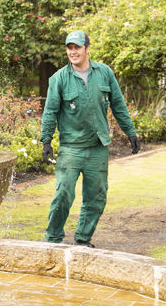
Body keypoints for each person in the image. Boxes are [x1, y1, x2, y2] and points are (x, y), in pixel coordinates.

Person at [40, 30, 139, 246]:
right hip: (71, 148)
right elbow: (50, 111)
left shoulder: (104, 73)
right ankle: (53, 239)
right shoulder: (59, 79)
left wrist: (130, 132)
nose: (73, 51)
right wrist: (46, 141)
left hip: (98, 148)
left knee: (97, 197)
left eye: (77, 47)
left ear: (87, 48)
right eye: (69, 47)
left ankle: (83, 239)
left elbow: (119, 105)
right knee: (63, 194)